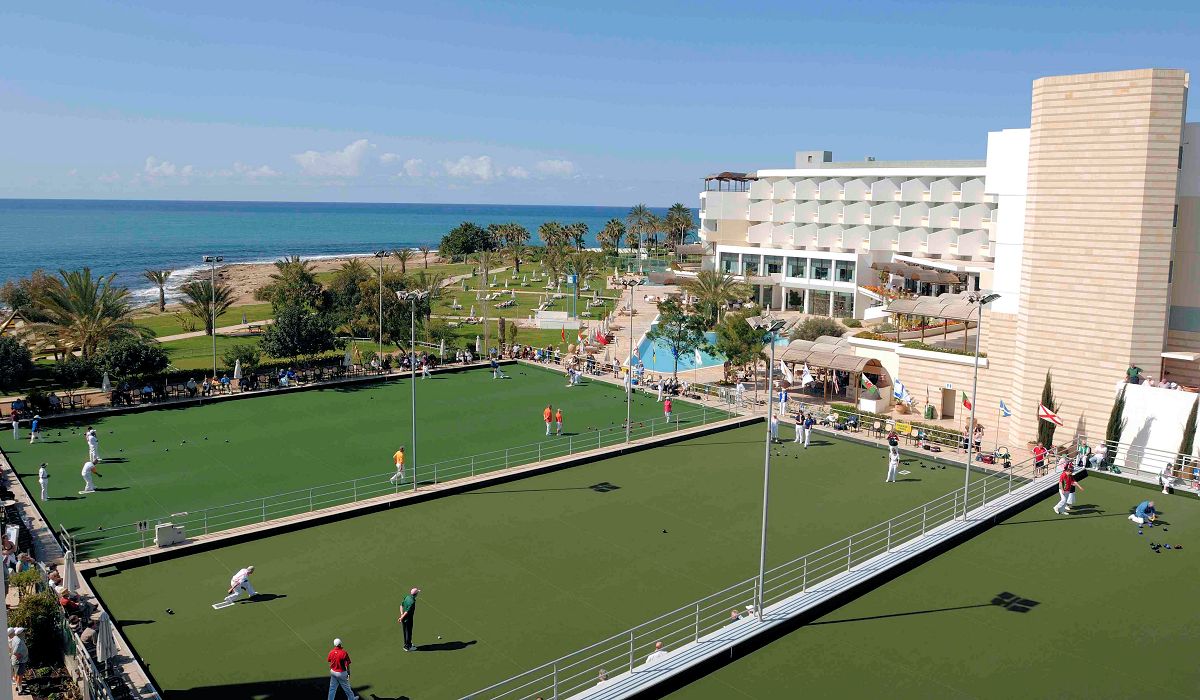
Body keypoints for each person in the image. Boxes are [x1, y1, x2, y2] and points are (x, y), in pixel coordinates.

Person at [397, 587, 419, 651]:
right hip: (408, 619)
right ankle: (408, 647)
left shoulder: (407, 597)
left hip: (404, 618)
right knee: (408, 632)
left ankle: (407, 644)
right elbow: (407, 612)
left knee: (405, 632)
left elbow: (401, 605)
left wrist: (401, 615)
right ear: (416, 594)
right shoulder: (412, 602)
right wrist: (401, 617)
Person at [9, 626, 29, 695]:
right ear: (21, 633)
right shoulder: (19, 641)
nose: (24, 633)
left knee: (17, 674)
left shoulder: (15, 638)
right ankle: (20, 691)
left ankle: (17, 686)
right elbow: (15, 651)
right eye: (24, 632)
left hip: (17, 661)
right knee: (20, 676)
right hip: (20, 661)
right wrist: (18, 656)